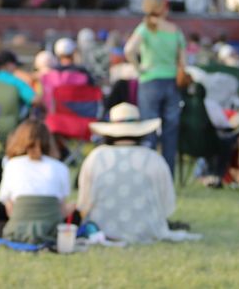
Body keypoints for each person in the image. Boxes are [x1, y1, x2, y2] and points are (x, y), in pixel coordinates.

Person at [79, 103, 197, 244]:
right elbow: (166, 204)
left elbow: (84, 203)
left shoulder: (96, 157)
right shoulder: (153, 158)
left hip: (100, 229)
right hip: (146, 230)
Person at [125, 0, 186, 174]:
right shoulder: (175, 31)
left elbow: (129, 50)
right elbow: (183, 62)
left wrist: (139, 67)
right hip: (172, 82)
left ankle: (147, 171)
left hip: (150, 80)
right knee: (170, 131)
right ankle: (167, 174)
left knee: (148, 128)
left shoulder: (144, 28)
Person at [0, 119, 72, 244]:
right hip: (51, 230)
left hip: (18, 229)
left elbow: (9, 208)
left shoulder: (12, 165)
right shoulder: (60, 167)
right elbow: (62, 209)